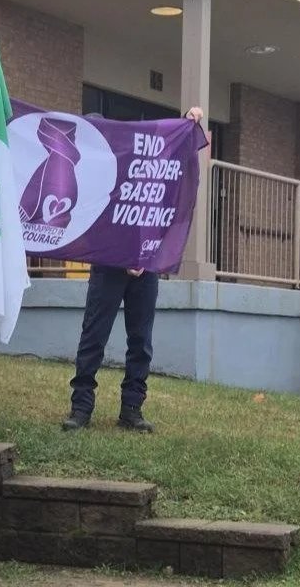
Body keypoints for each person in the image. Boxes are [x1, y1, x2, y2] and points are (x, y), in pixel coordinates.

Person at [62, 107, 206, 434]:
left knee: (140, 340)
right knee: (93, 336)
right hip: (109, 266)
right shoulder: (91, 177)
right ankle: (81, 406)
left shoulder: (136, 161)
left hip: (145, 265)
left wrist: (188, 121)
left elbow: (170, 158)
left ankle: (132, 409)